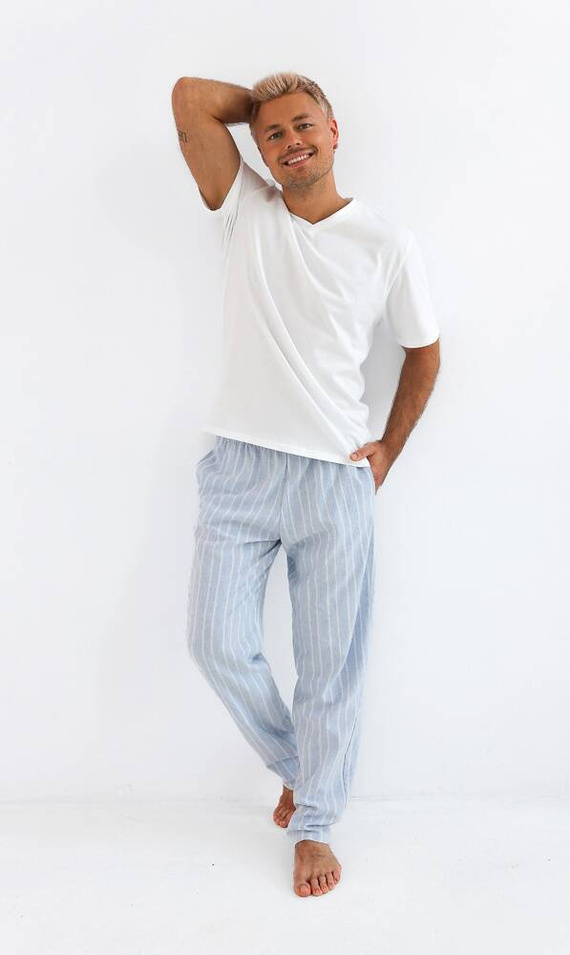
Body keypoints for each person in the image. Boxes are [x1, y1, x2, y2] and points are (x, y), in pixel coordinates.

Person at [171, 71, 441, 898]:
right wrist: (256, 105)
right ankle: (301, 765)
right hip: (240, 470)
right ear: (259, 148)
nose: (291, 141)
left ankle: (315, 820)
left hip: (334, 477)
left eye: (304, 125)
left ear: (334, 129)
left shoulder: (385, 242)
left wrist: (389, 448)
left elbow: (424, 350)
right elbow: (189, 98)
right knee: (216, 642)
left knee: (330, 666)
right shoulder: (244, 209)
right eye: (274, 133)